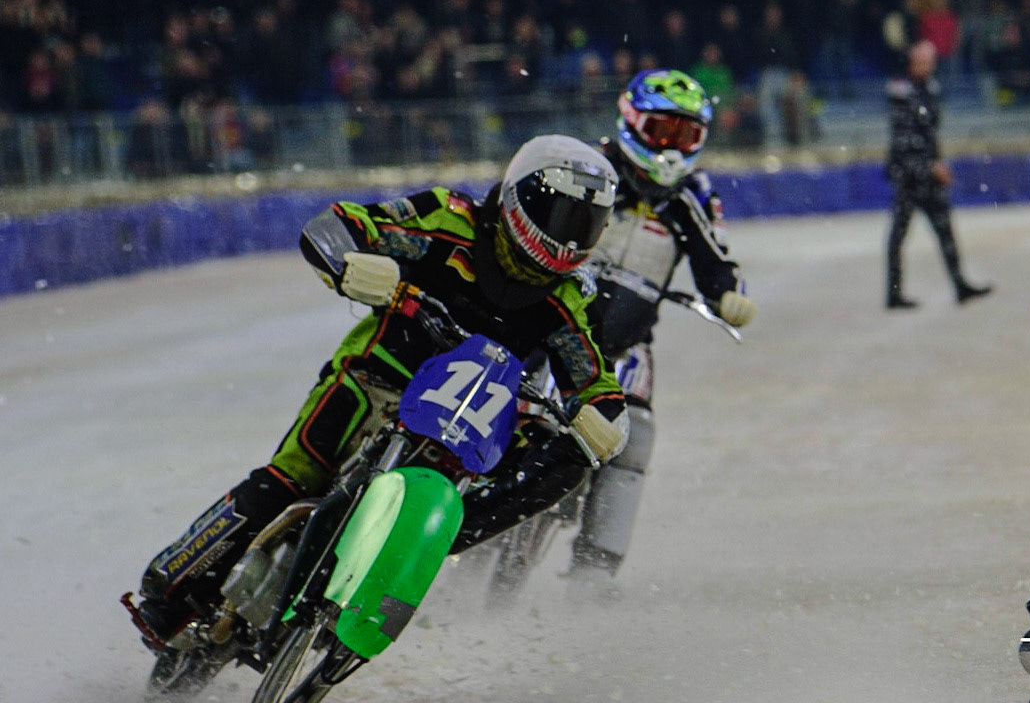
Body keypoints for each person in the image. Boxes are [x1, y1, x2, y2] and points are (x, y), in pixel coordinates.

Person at [129, 136, 630, 645]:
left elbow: (594, 376)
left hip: (471, 427)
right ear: (520, 199)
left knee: (572, 460)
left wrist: (605, 418)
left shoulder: (570, 296)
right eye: (562, 216)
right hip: (377, 379)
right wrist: (349, 264)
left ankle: (436, 542)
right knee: (293, 477)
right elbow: (343, 225)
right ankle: (170, 586)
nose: (570, 237)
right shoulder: (448, 218)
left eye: (585, 224)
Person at [575, 68, 757, 578]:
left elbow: (715, 260)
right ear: (631, 122)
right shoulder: (587, 168)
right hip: (552, 320)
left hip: (627, 344)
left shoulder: (691, 195)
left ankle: (595, 572)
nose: (672, 148)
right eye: (661, 131)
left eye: (686, 135)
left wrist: (727, 294)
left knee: (635, 436)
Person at [885, 39, 991, 309]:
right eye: (925, 61)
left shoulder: (930, 88)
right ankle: (894, 294)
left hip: (928, 173)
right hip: (910, 176)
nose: (930, 66)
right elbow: (905, 138)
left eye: (932, 61)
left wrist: (936, 163)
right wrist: (930, 166)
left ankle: (959, 285)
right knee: (899, 236)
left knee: (944, 232)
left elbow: (929, 133)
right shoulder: (901, 90)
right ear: (913, 62)